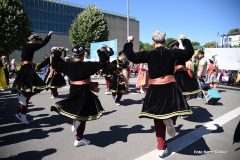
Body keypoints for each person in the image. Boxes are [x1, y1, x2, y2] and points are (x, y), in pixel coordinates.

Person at [123, 31, 193, 157]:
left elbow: (131, 56)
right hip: (170, 86)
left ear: (153, 41)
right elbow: (189, 52)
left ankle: (161, 147)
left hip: (155, 88)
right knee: (176, 109)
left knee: (158, 117)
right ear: (164, 42)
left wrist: (129, 42)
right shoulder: (172, 52)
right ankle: (170, 120)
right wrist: (184, 39)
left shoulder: (149, 54)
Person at [50, 44, 106, 147]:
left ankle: (75, 123)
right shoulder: (87, 65)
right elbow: (103, 63)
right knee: (83, 117)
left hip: (73, 91)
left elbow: (54, 64)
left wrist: (58, 52)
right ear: (84, 54)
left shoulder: (68, 65)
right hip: (84, 93)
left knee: (75, 110)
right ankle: (79, 138)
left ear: (74, 55)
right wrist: (100, 51)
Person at [13, 31, 53, 124]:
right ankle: (22, 111)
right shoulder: (31, 46)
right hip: (27, 69)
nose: (38, 43)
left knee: (27, 91)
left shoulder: (25, 45)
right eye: (37, 41)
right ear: (34, 40)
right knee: (39, 86)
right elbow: (43, 44)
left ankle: (21, 113)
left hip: (25, 68)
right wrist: (48, 35)